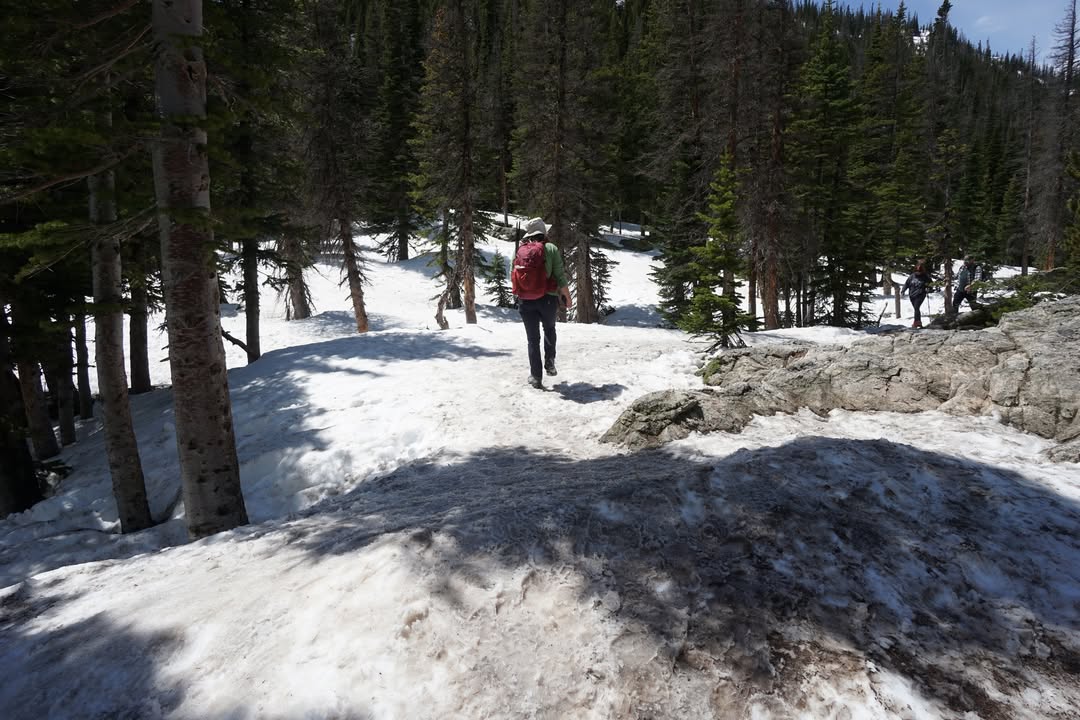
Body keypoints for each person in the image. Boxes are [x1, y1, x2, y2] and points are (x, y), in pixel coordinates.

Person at [512, 217, 572, 389]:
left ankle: (536, 377)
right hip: (547, 298)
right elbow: (560, 275)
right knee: (549, 329)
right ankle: (550, 361)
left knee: (532, 339)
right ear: (543, 232)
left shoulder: (520, 249)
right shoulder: (551, 248)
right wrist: (567, 297)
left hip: (525, 300)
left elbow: (513, 273)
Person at [901, 259, 932, 329]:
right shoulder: (912, 276)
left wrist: (929, 288)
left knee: (916, 307)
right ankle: (919, 322)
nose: (918, 273)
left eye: (919, 272)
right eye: (917, 271)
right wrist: (903, 290)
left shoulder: (925, 276)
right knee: (916, 309)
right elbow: (907, 284)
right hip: (912, 295)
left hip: (921, 294)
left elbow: (930, 284)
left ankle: (916, 322)